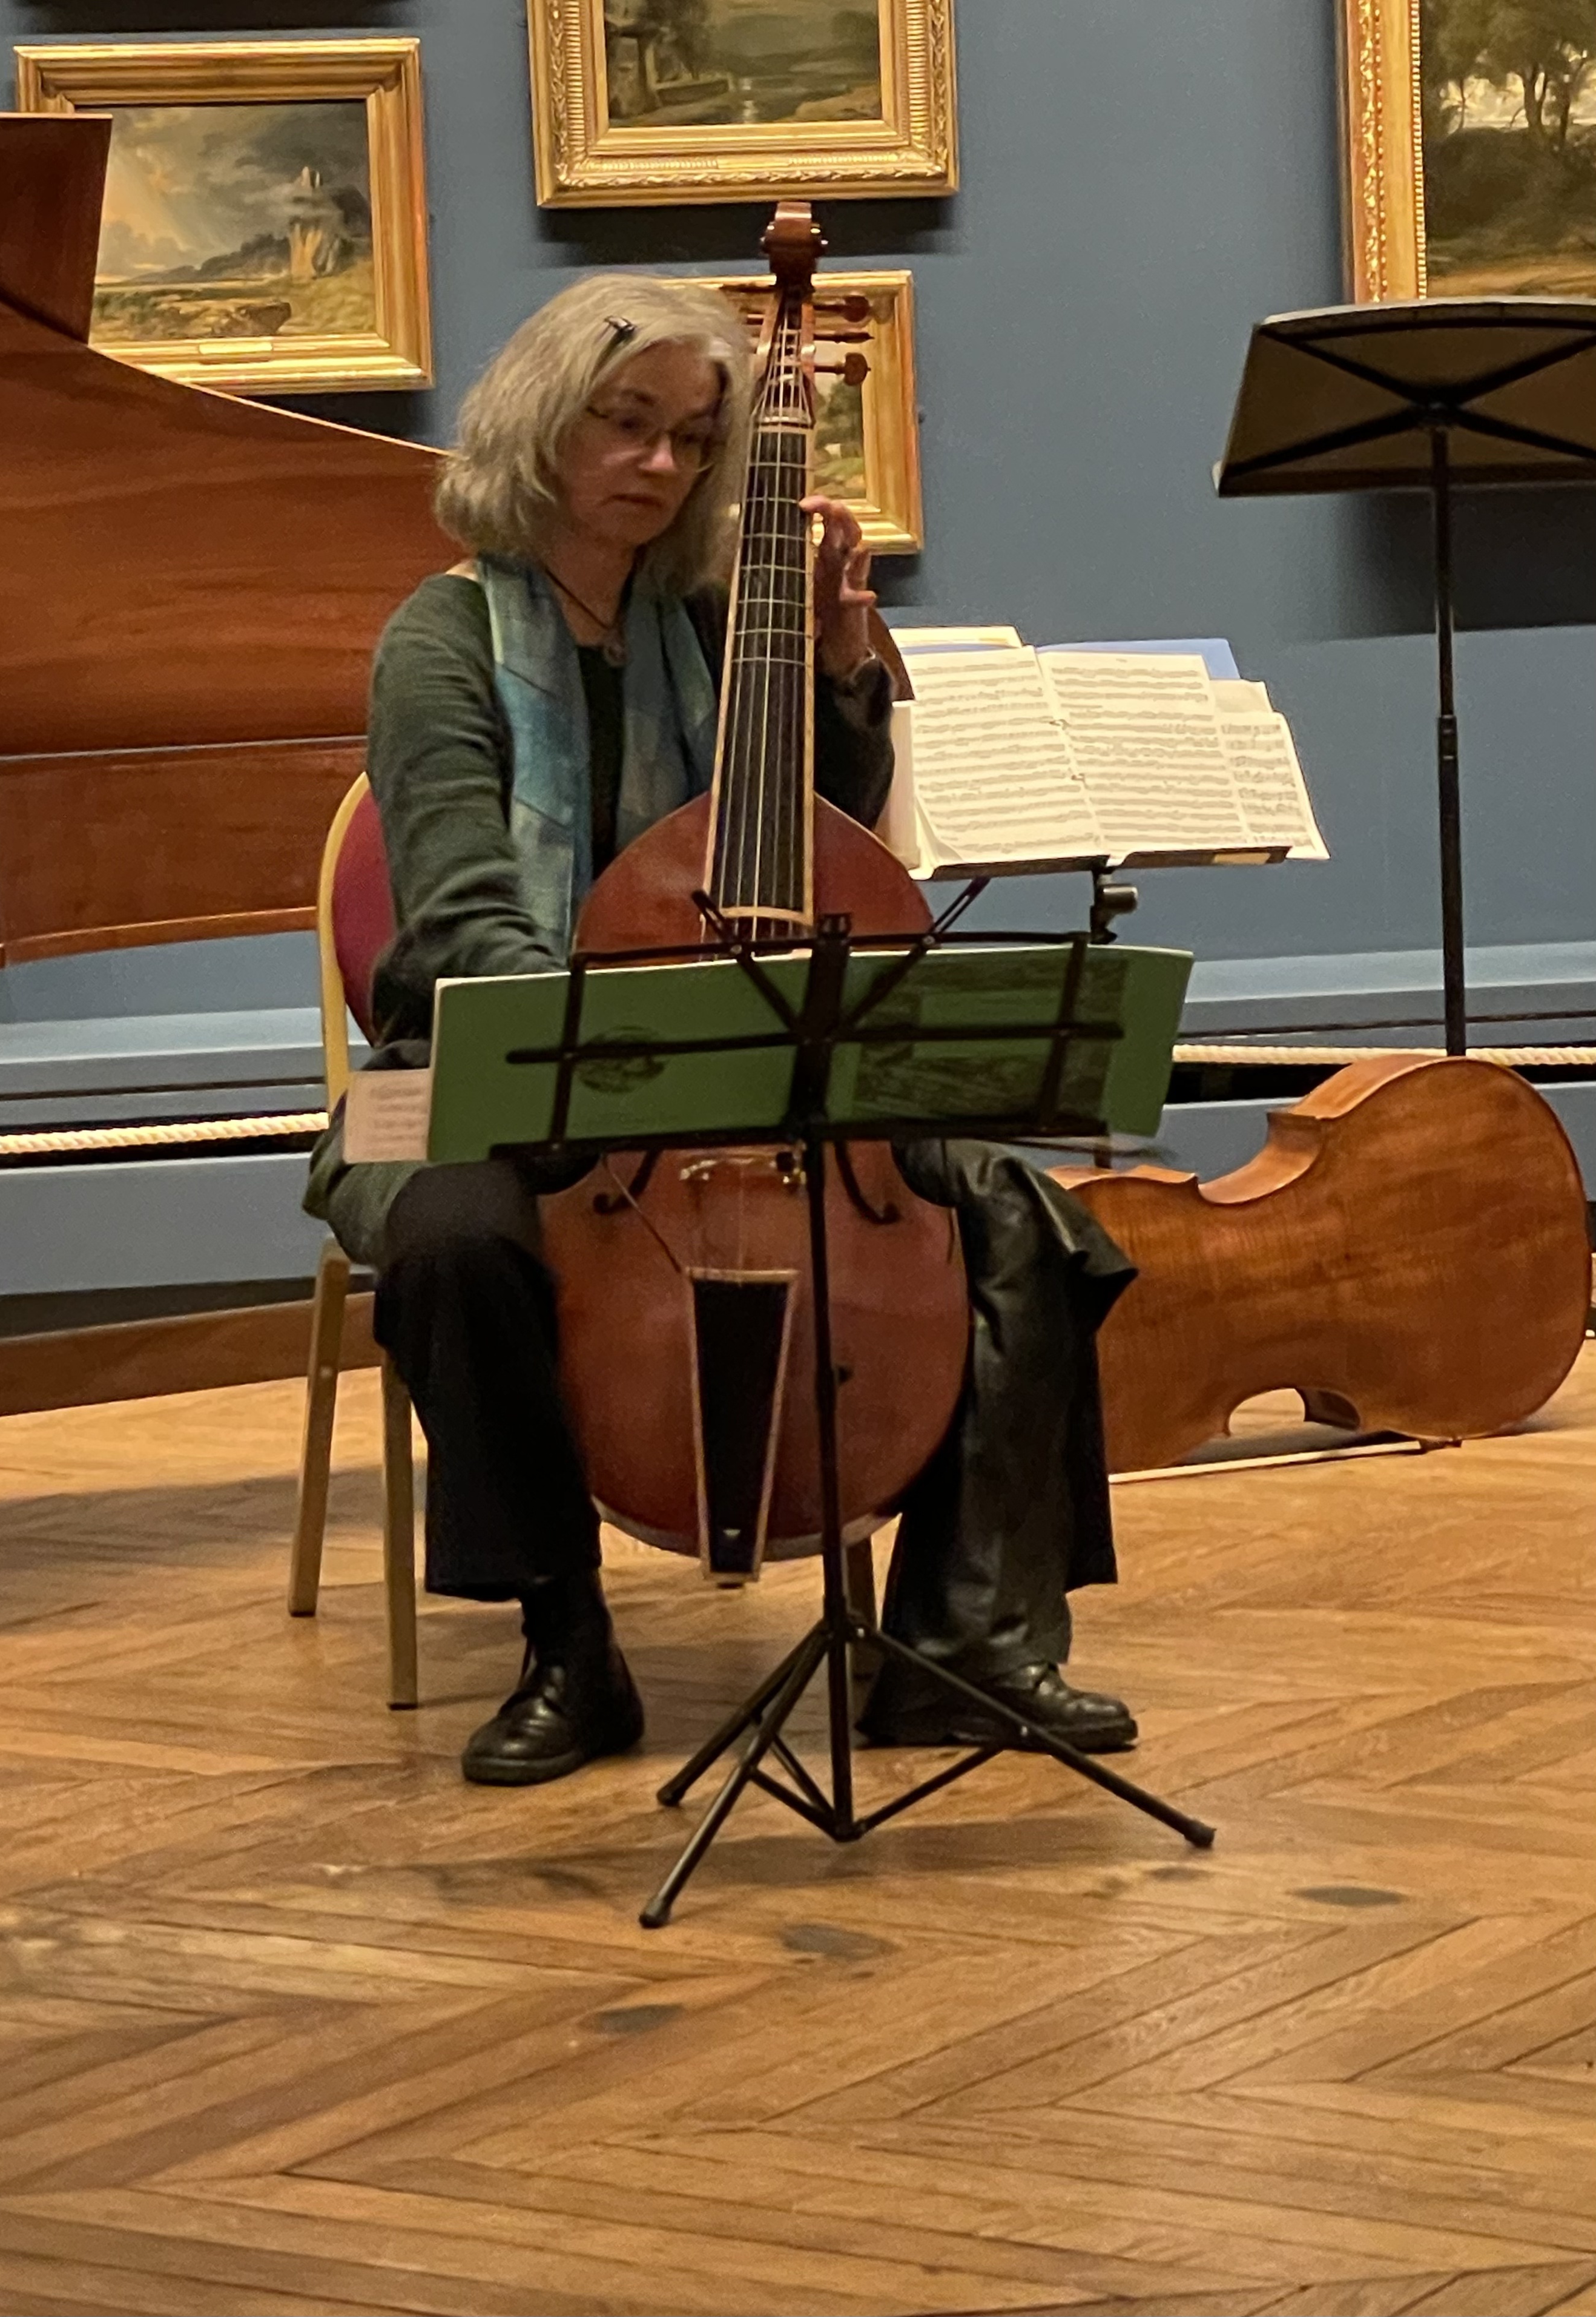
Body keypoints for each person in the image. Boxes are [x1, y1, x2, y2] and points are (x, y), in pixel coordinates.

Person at [306, 274, 1140, 1788]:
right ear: (542, 421)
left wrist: (836, 666)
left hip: (725, 1054)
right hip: (465, 1060)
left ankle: (965, 1639)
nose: (661, 464)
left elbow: (813, 847)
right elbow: (461, 916)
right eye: (625, 424)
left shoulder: (709, 622)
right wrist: (617, 1045)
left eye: (695, 440)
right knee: (454, 1241)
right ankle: (568, 1646)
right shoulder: (441, 640)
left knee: (1022, 1217)